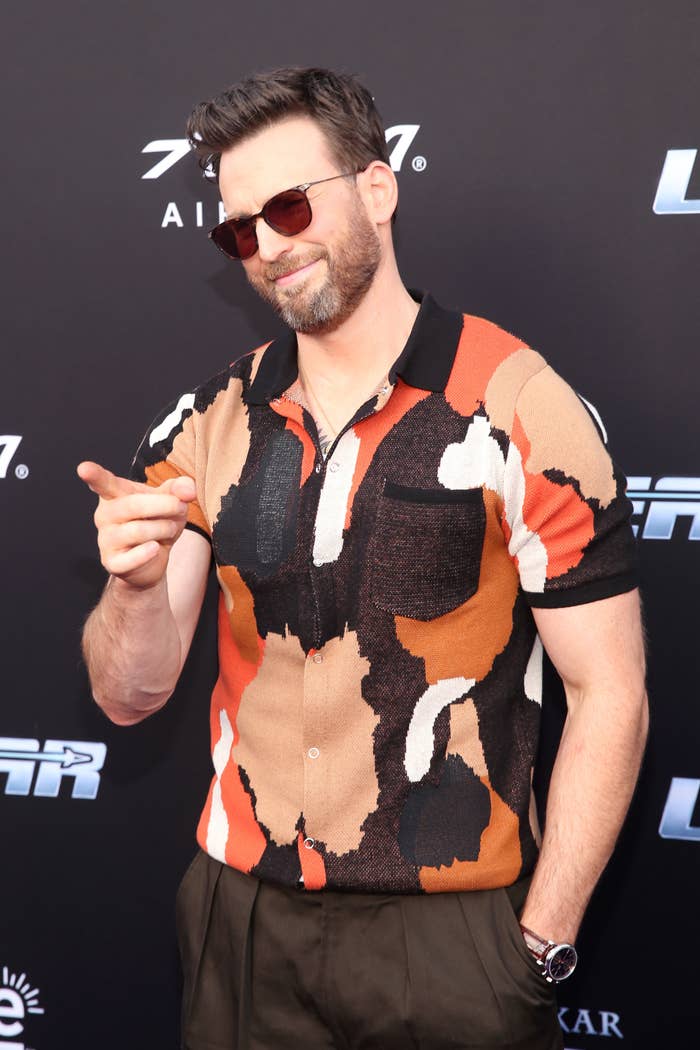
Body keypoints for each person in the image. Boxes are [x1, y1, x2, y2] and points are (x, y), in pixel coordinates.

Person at [78, 67, 648, 1050]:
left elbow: (611, 693)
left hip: (451, 939)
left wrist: (539, 943)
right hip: (242, 926)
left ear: (377, 190)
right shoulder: (208, 422)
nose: (267, 245)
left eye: (291, 205)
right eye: (240, 227)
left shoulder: (518, 402)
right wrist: (132, 593)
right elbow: (130, 695)